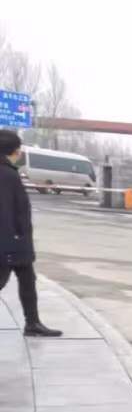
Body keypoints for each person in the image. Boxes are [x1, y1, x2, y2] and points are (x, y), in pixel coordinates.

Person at [0, 130, 62, 337]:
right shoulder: (6, 175)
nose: (20, 153)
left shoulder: (8, 172)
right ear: (12, 150)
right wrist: (11, 242)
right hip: (10, 242)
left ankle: (32, 323)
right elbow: (6, 211)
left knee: (28, 279)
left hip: (17, 241)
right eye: (18, 149)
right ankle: (32, 323)